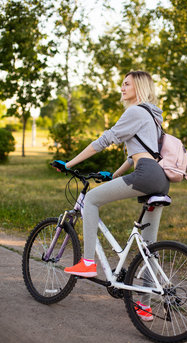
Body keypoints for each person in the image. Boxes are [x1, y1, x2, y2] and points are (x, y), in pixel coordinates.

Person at [63, 71, 169, 283]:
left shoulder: (135, 112)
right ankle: (144, 304)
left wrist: (68, 163)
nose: (122, 88)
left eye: (126, 84)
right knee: (149, 247)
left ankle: (87, 263)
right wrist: (114, 175)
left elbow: (104, 140)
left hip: (146, 174)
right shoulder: (153, 117)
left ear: (138, 88)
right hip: (161, 179)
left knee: (90, 200)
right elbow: (133, 157)